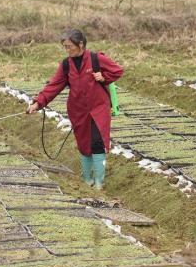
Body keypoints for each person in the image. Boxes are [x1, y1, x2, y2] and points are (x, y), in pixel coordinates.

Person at [27, 29, 124, 189]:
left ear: (80, 44)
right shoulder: (66, 65)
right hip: (78, 110)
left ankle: (99, 183)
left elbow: (117, 70)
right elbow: (54, 86)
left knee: (97, 142)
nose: (67, 50)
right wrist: (38, 103)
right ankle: (87, 180)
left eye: (69, 46)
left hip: (98, 108)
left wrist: (104, 77)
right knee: (84, 144)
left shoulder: (96, 59)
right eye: (65, 47)